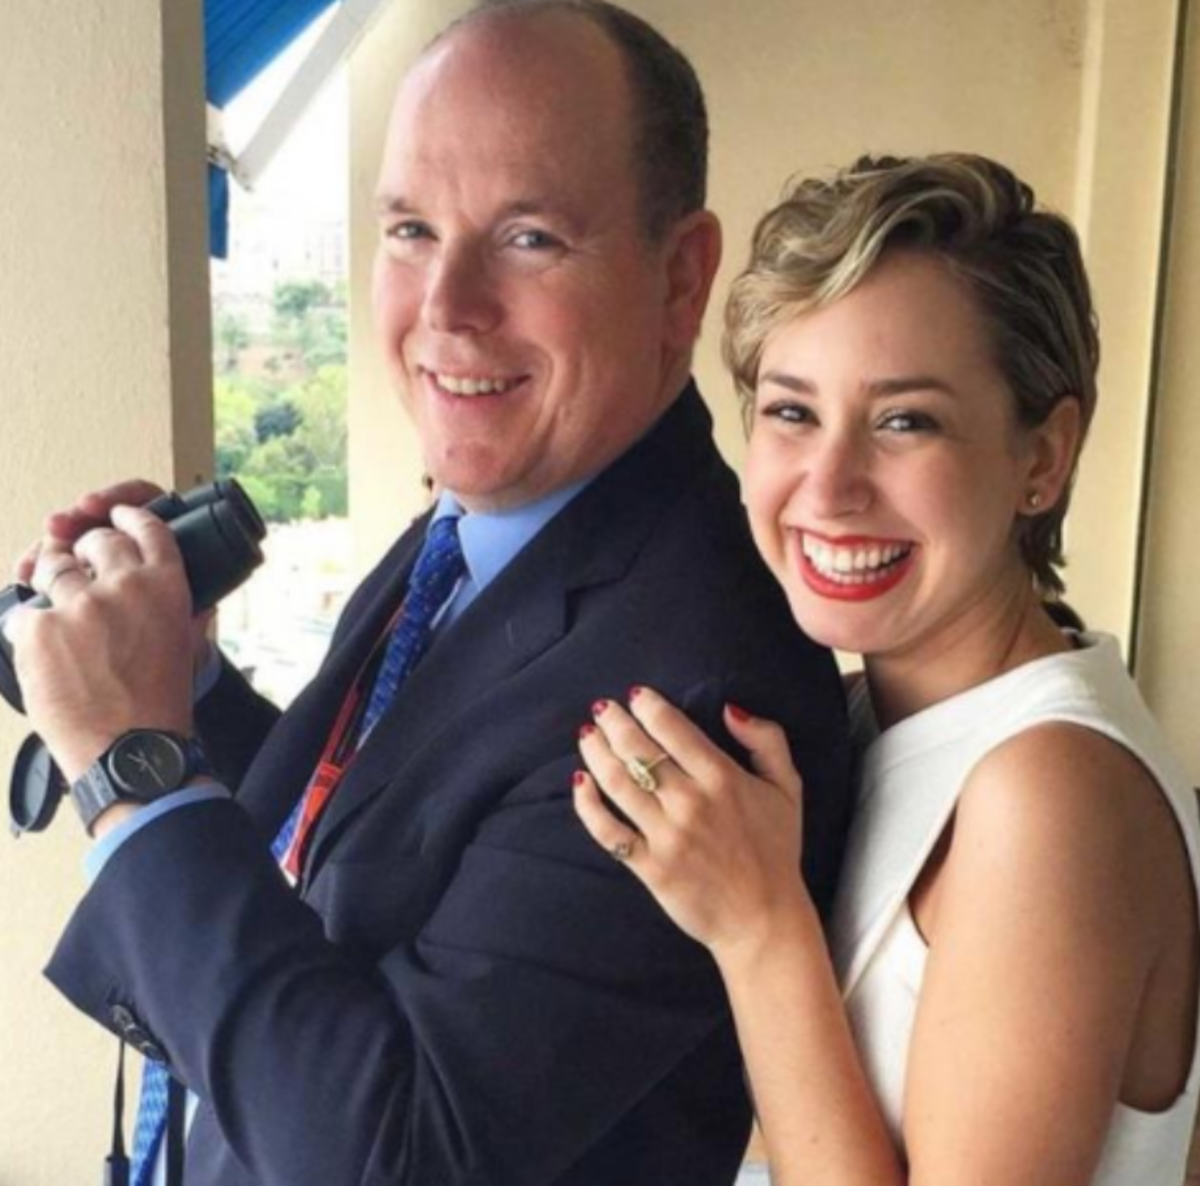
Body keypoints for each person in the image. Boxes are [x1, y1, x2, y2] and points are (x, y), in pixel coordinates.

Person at [8, 3, 852, 1184]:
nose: (446, 306)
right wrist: (180, 684)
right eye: (410, 229)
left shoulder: (691, 691)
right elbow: (373, 835)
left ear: (680, 277)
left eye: (530, 238)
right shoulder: (493, 518)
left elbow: (395, 1156)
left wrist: (129, 765)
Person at [573, 153, 1200, 1185]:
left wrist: (760, 928)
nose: (828, 486)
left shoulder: (1050, 792)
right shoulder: (868, 717)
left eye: (906, 420)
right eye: (793, 411)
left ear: (1043, 458)